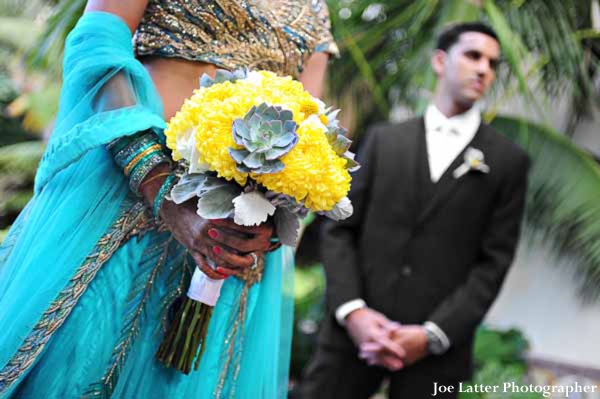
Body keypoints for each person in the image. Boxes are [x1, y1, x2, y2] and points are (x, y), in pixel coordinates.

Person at [0, 1, 338, 398]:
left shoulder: (315, 9)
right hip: (126, 203)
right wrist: (159, 186)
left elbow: (310, 122)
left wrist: (268, 223)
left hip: (231, 241)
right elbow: (98, 40)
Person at [302, 22, 530, 398]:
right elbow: (340, 228)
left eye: (492, 63)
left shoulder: (507, 161)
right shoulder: (384, 140)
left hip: (438, 355)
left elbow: (494, 262)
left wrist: (432, 335)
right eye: (473, 55)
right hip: (350, 340)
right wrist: (354, 311)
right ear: (440, 61)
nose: (483, 69)